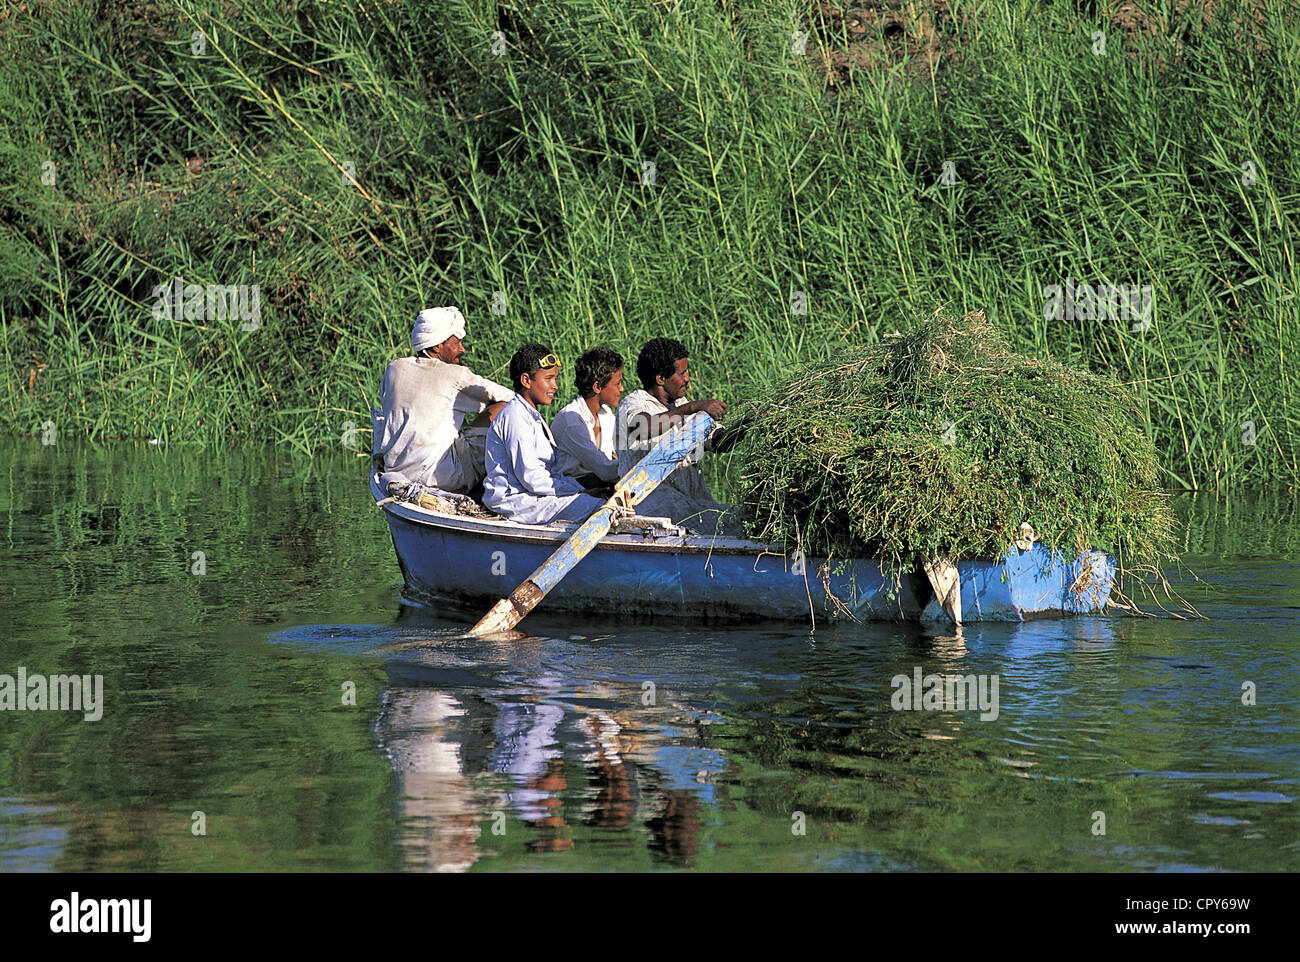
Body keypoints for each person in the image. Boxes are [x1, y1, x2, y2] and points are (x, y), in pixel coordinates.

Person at [374, 306, 513, 498]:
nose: (462, 349)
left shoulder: (394, 369)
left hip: (397, 472)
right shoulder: (455, 376)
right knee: (506, 408)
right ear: (436, 346)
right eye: (457, 343)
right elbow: (511, 398)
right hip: (444, 478)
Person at [615, 337, 741, 535]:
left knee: (744, 519)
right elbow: (642, 428)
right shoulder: (632, 405)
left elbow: (718, 441)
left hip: (692, 505)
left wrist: (748, 426)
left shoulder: (679, 403)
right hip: (653, 512)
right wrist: (692, 408)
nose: (687, 379)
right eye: (682, 373)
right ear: (660, 379)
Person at [483, 344, 605, 525]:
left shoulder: (532, 416)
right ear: (526, 380)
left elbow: (549, 473)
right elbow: (531, 478)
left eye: (555, 378)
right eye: (548, 378)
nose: (555, 386)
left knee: (602, 497)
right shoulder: (515, 416)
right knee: (601, 508)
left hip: (533, 497)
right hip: (515, 502)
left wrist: (580, 489)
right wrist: (578, 492)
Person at [552, 346, 624, 486]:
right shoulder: (571, 420)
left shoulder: (605, 414)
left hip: (598, 481)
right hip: (573, 487)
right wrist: (637, 465)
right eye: (617, 383)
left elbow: (621, 447)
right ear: (597, 387)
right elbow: (605, 470)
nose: (621, 389)